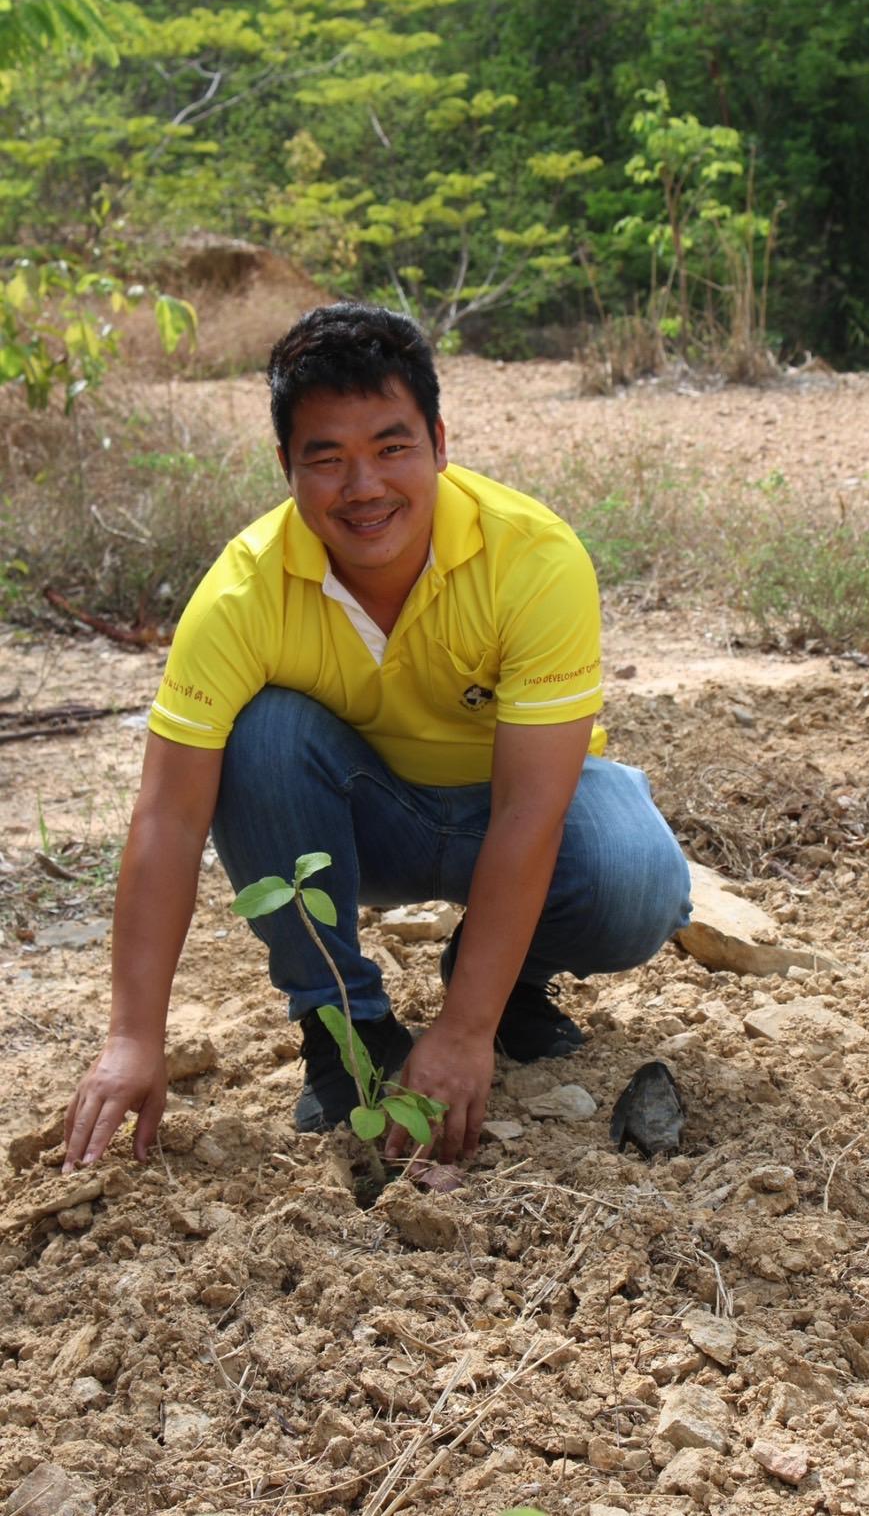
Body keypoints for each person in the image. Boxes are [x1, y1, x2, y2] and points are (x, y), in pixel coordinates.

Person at [63, 303, 691, 1172]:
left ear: (438, 440)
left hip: (504, 819)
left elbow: (529, 813)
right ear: (285, 465)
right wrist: (134, 1037)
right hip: (359, 829)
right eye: (327, 458)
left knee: (638, 880)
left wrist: (465, 1029)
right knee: (265, 733)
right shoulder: (242, 592)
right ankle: (343, 1028)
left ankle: (500, 984)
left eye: (391, 448)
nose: (363, 488)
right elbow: (168, 818)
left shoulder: (534, 560)